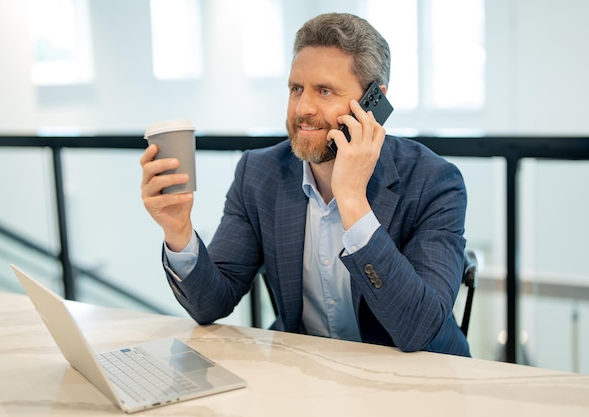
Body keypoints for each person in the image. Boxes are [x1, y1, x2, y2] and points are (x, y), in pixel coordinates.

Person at [140, 12, 470, 357]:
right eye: (296, 89)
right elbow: (212, 304)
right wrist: (179, 231)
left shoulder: (433, 181)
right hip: (307, 373)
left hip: (416, 379)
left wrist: (353, 200)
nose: (303, 108)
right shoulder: (260, 173)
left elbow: (418, 329)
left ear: (374, 102)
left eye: (324, 91)